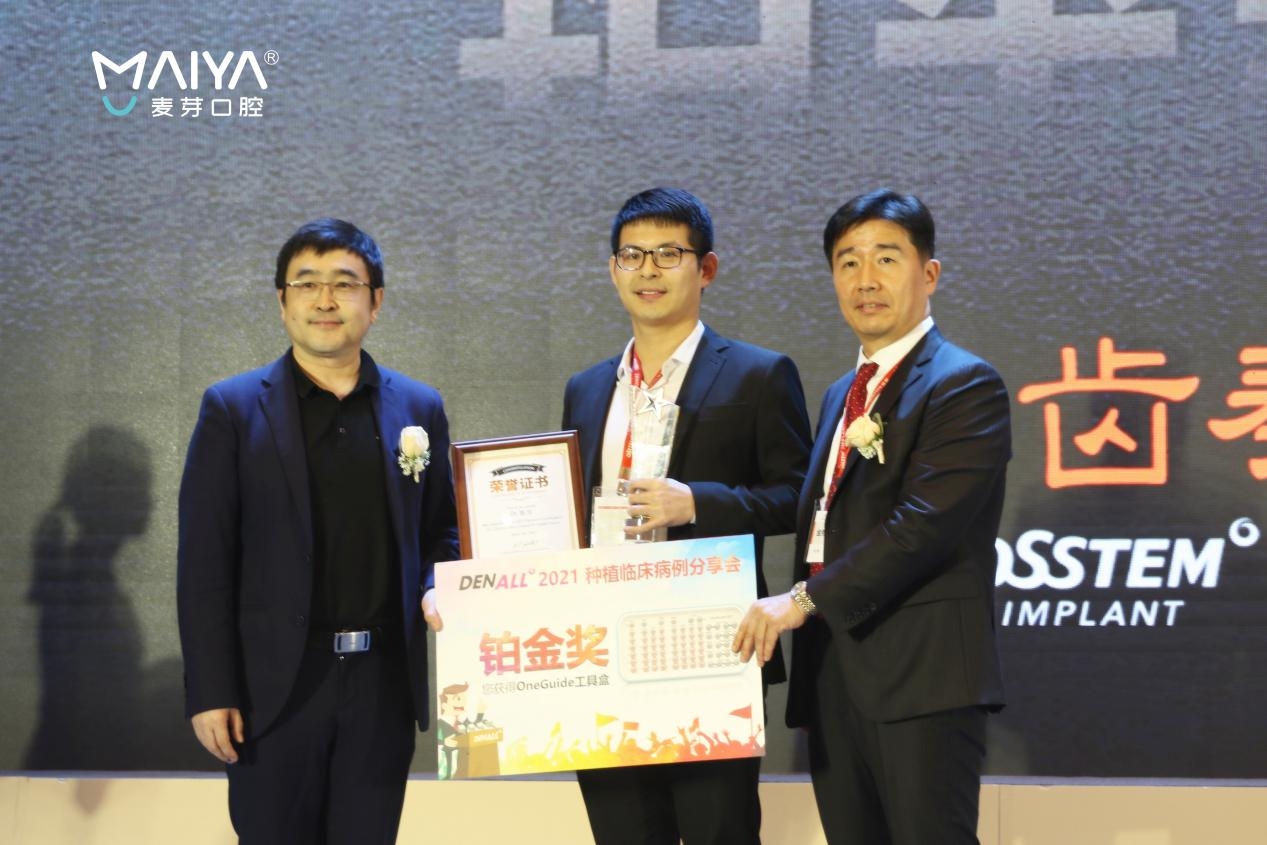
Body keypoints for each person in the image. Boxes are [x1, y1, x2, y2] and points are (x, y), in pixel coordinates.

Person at [733, 189, 1010, 844]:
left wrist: (802, 599)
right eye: (847, 262)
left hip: (921, 678)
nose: (865, 280)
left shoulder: (963, 383)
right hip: (834, 676)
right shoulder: (841, 393)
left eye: (886, 258)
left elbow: (922, 526)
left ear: (928, 273)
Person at [177, 218, 459, 844]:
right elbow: (204, 562)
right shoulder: (232, 408)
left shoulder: (419, 407)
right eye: (306, 283)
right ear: (283, 301)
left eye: (344, 284)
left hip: (382, 685)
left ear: (375, 301)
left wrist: (438, 584)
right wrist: (210, 690)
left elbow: (443, 530)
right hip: (273, 690)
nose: (325, 300)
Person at [562, 187, 812, 844]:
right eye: (632, 255)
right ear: (613, 269)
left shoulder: (759, 374)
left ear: (706, 269)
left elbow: (799, 495)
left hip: (709, 648)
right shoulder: (587, 388)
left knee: (717, 831)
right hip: (602, 651)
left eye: (668, 254)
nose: (648, 270)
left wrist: (698, 501)